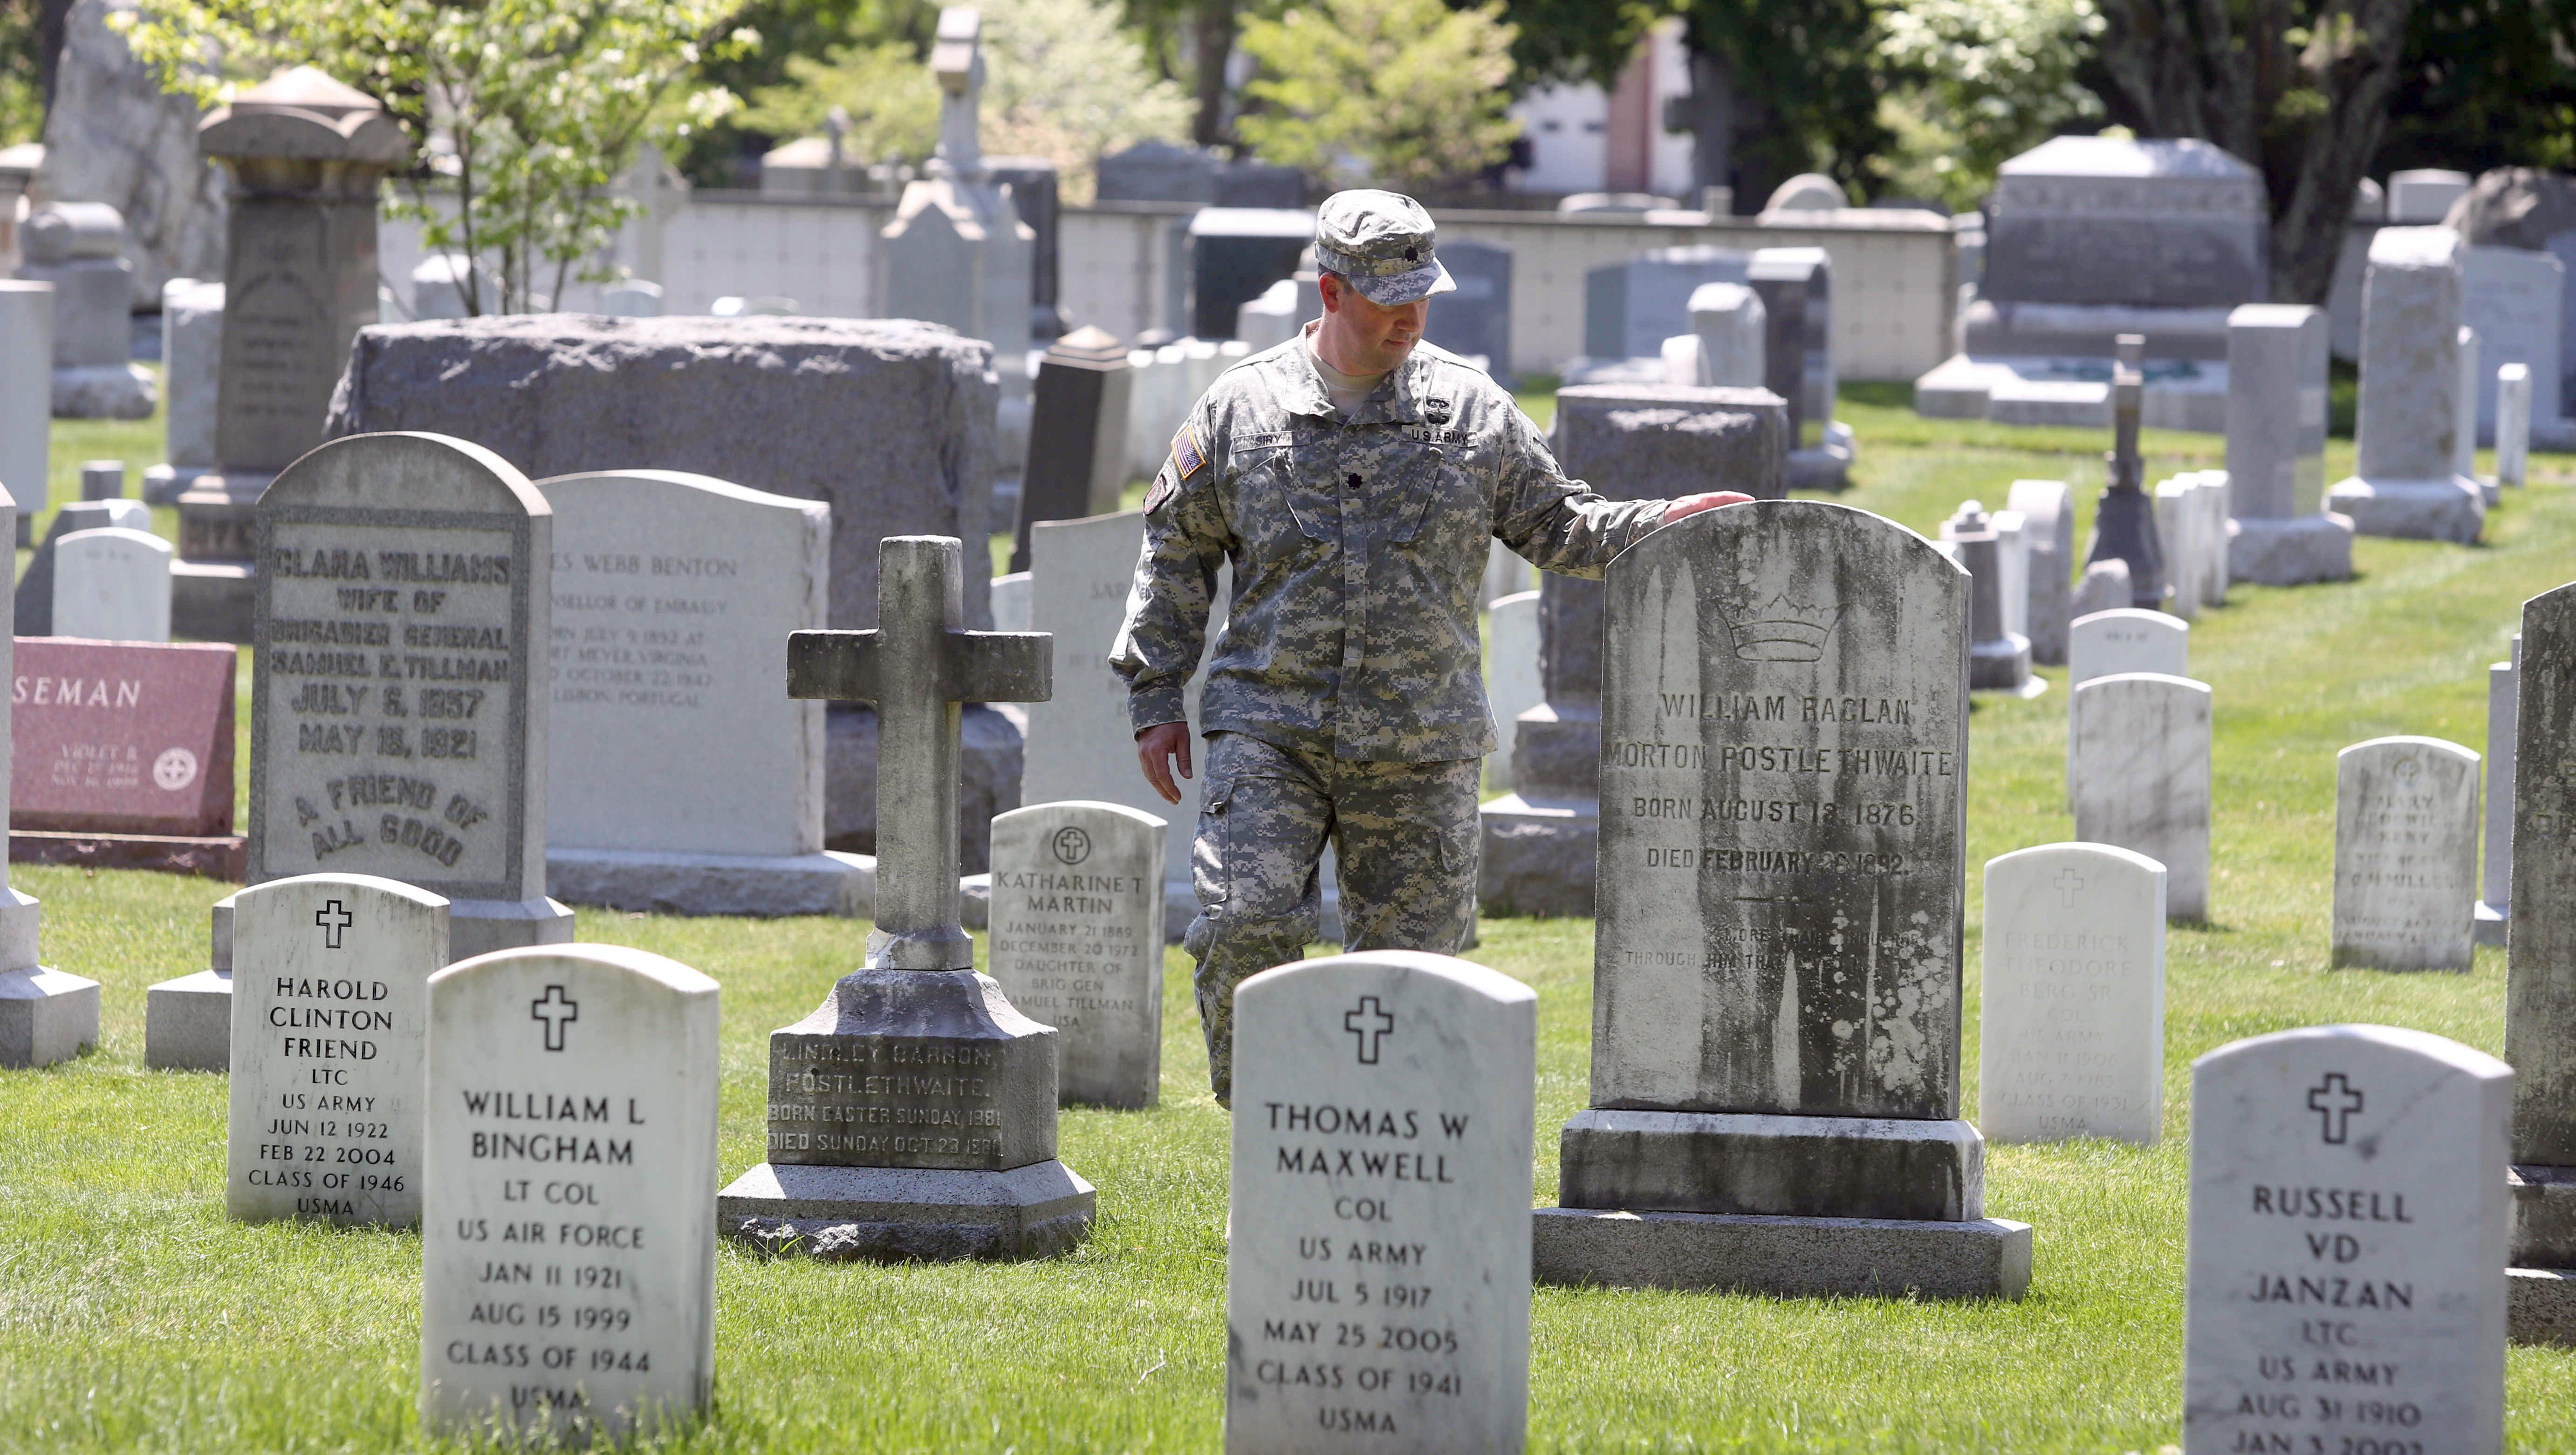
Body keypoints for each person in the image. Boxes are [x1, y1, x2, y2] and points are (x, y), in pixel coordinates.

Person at [1109, 189, 1754, 1104]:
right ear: (1331, 292)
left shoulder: (1471, 410)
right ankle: (1272, 1136)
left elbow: (1560, 524)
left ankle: (1392, 1158)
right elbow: (1177, 550)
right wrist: (1154, 696)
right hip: (1271, 729)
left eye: (1422, 295)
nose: (1409, 317)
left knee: (1413, 980)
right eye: (1388, 299)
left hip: (1420, 741)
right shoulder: (1241, 408)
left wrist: (1664, 525)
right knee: (1243, 926)